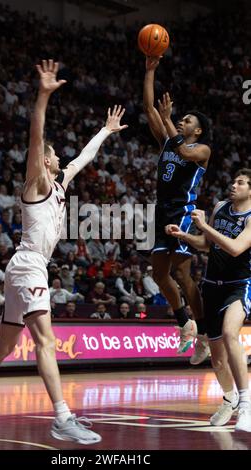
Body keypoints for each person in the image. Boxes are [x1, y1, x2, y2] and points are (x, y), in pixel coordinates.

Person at [0, 59, 127, 444]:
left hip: (27, 268)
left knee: (5, 345)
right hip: (29, 266)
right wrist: (43, 96)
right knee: (45, 341)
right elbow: (36, 135)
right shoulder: (35, 181)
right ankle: (62, 417)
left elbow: (84, 158)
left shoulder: (61, 183)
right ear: (45, 160)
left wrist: (105, 131)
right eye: (54, 155)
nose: (60, 158)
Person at [166, 168, 251, 432]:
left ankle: (246, 404)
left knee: (229, 334)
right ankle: (229, 398)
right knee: (216, 360)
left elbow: (236, 248)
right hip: (211, 285)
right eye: (234, 180)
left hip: (240, 284)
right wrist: (185, 235)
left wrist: (203, 225)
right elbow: (207, 244)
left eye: (240, 182)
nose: (233, 185)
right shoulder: (221, 207)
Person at [143, 56, 211, 364]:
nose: (182, 121)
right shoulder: (169, 142)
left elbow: (182, 148)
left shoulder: (200, 150)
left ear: (197, 131)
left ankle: (206, 334)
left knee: (183, 275)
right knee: (159, 274)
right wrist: (150, 70)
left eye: (187, 121)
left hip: (182, 212)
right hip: (161, 212)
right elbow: (148, 108)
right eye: (180, 119)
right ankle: (185, 322)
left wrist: (170, 122)